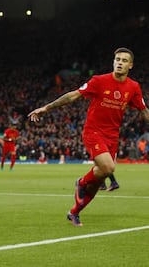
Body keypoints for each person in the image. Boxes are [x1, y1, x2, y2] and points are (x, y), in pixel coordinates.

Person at [28, 47, 149, 227]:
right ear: (113, 62)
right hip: (93, 131)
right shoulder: (99, 81)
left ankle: (75, 212)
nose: (120, 63)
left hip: (112, 137)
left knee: (99, 178)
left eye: (124, 60)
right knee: (108, 168)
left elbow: (143, 110)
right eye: (117, 59)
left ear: (130, 65)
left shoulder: (133, 87)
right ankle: (82, 182)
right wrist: (46, 108)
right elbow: (73, 96)